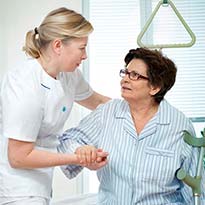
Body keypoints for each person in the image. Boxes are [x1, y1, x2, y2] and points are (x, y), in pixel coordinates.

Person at [58, 47, 205, 204]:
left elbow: (195, 188)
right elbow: (68, 139)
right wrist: (80, 150)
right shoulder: (108, 113)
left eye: (134, 75)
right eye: (125, 73)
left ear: (155, 87)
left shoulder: (178, 125)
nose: (124, 80)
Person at [0, 7, 110, 205]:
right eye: (82, 47)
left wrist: (143, 108)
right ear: (58, 45)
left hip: (40, 184)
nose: (85, 56)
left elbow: (98, 102)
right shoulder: (24, 84)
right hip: (15, 187)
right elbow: (18, 156)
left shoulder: (69, 75)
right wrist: (78, 158)